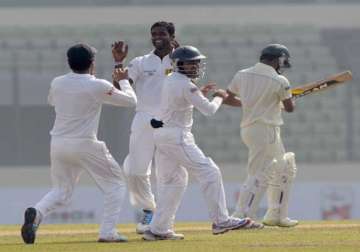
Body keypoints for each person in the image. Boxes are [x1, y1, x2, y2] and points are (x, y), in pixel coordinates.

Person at [142, 45, 263, 241]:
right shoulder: (185, 85)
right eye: (191, 64)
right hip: (177, 136)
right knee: (209, 172)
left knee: (174, 181)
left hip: (163, 135)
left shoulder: (172, 80)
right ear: (179, 64)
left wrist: (199, 92)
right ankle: (221, 220)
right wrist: (219, 97)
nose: (196, 67)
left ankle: (158, 229)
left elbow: (182, 101)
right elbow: (209, 110)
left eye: (197, 63)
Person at [21, 43, 137, 244]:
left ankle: (37, 212)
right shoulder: (97, 85)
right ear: (92, 63)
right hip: (84, 143)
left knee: (61, 191)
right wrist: (124, 80)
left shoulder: (58, 82)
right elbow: (130, 101)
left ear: (69, 62)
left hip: (58, 143)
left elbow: (52, 101)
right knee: (115, 185)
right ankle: (108, 232)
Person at [111, 21, 179, 234]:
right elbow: (121, 85)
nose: (157, 36)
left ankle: (163, 221)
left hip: (173, 120)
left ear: (171, 36)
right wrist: (118, 62)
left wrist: (180, 54)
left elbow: (191, 81)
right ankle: (149, 210)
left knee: (170, 174)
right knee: (136, 170)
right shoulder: (141, 62)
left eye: (162, 33)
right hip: (144, 119)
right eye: (154, 33)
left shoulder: (182, 59)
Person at [223, 44, 298, 227]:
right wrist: (291, 99)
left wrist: (251, 104)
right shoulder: (280, 80)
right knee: (259, 172)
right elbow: (289, 108)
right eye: (282, 60)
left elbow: (228, 98)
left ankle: (276, 214)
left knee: (284, 167)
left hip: (252, 129)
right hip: (265, 130)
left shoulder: (242, 74)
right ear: (277, 59)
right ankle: (241, 216)